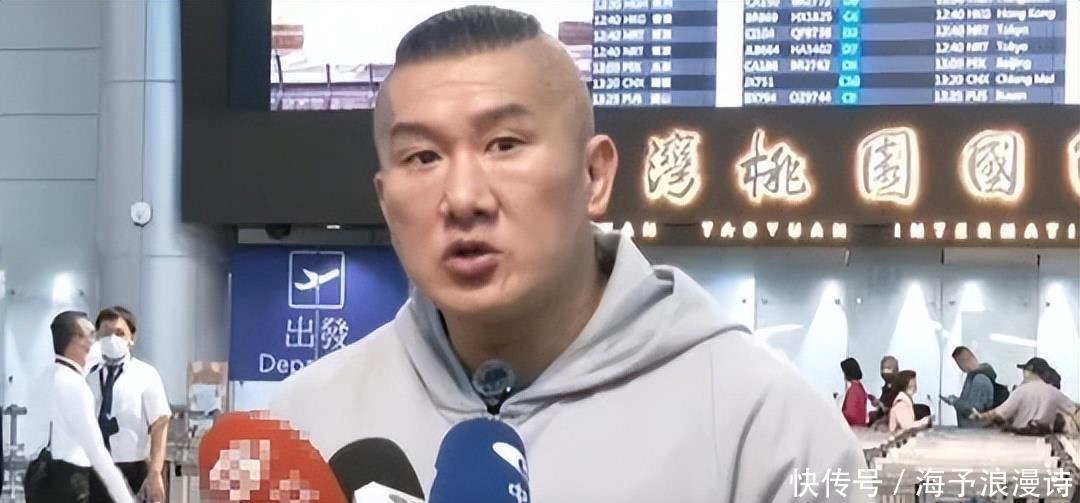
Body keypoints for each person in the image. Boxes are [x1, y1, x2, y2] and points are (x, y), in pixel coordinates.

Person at [270, 6, 870, 501]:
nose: (464, 198)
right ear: (385, 199)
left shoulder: (767, 427)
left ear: (594, 175)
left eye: (504, 144)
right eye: (422, 157)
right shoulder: (304, 424)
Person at [30, 311, 133, 503]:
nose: (96, 342)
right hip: (68, 481)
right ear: (77, 340)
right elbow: (96, 450)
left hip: (37, 477)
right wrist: (125, 498)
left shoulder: (43, 378)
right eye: (92, 336)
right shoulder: (75, 386)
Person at [87, 307, 171, 503]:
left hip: (132, 469)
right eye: (106, 333)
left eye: (119, 333)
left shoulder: (145, 375)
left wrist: (155, 472)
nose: (112, 338)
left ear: (131, 338)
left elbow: (160, 424)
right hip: (93, 470)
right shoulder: (88, 376)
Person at [971, 358, 1075, 432]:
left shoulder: (1021, 391)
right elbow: (1074, 411)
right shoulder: (1053, 392)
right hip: (1046, 441)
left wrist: (980, 416)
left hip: (1021, 440)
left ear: (1028, 371)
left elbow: (1000, 414)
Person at [942, 346, 996, 427]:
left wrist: (955, 401)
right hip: (969, 430)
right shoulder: (972, 377)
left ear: (964, 361)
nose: (960, 368)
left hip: (976, 431)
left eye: (959, 364)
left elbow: (975, 412)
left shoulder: (980, 380)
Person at [868, 355, 899, 425]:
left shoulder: (897, 387)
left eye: (888, 368)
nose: (884, 371)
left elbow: (892, 409)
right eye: (882, 368)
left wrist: (880, 404)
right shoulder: (887, 386)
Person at [840, 358, 868, 427]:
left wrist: (838, 415)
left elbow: (851, 414)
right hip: (860, 427)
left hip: (854, 428)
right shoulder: (860, 387)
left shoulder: (854, 390)